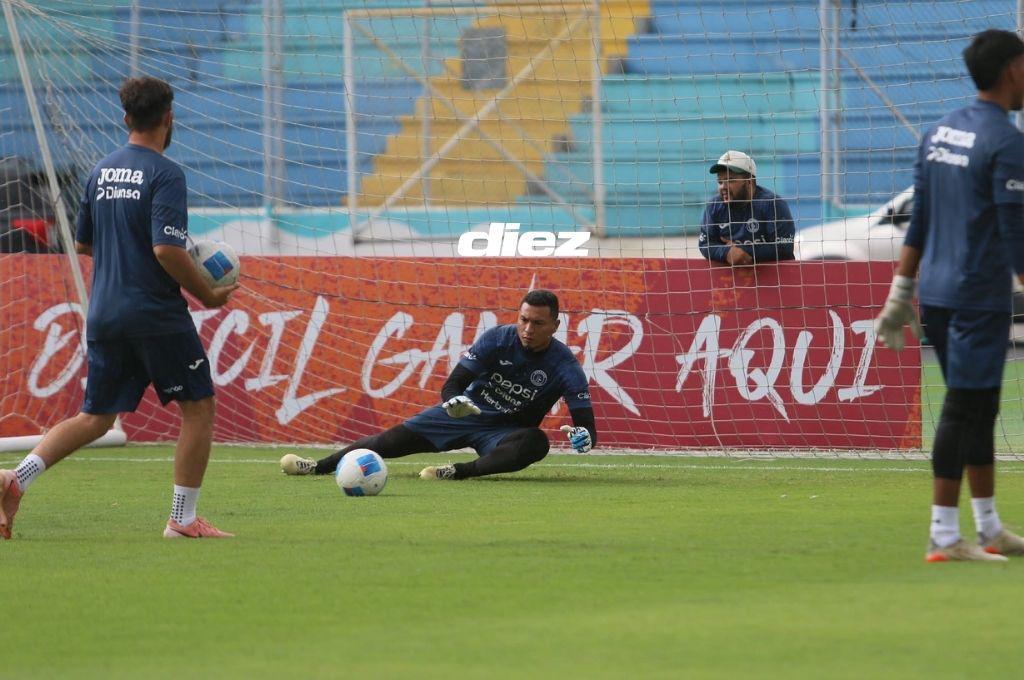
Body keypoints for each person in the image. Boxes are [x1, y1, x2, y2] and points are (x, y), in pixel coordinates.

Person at [0, 76, 239, 540]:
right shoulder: (166, 173)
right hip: (153, 312)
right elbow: (167, 251)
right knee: (198, 407)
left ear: (125, 118)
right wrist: (207, 294)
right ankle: (182, 519)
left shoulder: (100, 171)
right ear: (169, 118)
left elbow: (83, 243)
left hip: (105, 310)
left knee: (96, 417)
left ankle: (15, 480)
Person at [874, 29, 1024, 562]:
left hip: (935, 292)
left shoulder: (940, 131)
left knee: (979, 405)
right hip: (976, 295)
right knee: (965, 406)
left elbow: (922, 220)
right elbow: (1015, 232)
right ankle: (943, 535)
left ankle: (988, 527)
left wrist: (900, 290)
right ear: (1011, 70)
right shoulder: (1006, 142)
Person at [280, 290, 597, 481]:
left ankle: (458, 471)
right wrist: (454, 401)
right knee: (389, 441)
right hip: (463, 414)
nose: (527, 329)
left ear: (555, 326)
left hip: (504, 432)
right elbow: (455, 382)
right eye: (523, 319)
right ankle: (317, 467)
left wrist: (584, 438)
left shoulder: (566, 367)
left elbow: (587, 428)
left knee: (535, 443)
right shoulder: (498, 338)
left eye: (537, 323)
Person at [698, 150, 795, 265]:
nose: (723, 187)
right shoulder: (713, 207)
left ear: (749, 182)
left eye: (730, 180)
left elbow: (784, 248)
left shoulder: (772, 204)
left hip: (776, 279)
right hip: (729, 280)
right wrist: (727, 252)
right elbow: (705, 244)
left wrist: (741, 250)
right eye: (720, 182)